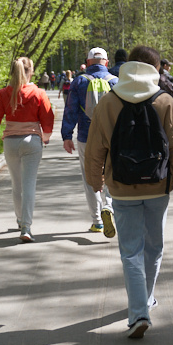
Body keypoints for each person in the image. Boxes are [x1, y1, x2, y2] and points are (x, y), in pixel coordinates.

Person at [84, 45, 173, 338]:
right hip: (158, 186)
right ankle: (145, 300)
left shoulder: (108, 102)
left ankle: (138, 314)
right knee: (153, 248)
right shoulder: (165, 101)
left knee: (130, 252)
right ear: (155, 70)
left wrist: (95, 181)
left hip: (122, 188)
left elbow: (95, 148)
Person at [0, 57, 55, 243]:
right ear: (31, 72)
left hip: (10, 143)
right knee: (29, 185)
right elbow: (48, 119)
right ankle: (26, 227)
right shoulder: (39, 93)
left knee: (16, 184)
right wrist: (45, 137)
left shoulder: (5, 93)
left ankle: (20, 219)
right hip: (31, 141)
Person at [62, 48, 119, 234]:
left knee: (89, 177)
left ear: (87, 63)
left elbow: (70, 110)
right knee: (111, 173)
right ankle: (108, 206)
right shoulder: (116, 82)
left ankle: (97, 221)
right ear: (107, 63)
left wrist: (66, 136)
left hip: (86, 136)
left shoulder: (79, 81)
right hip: (112, 136)